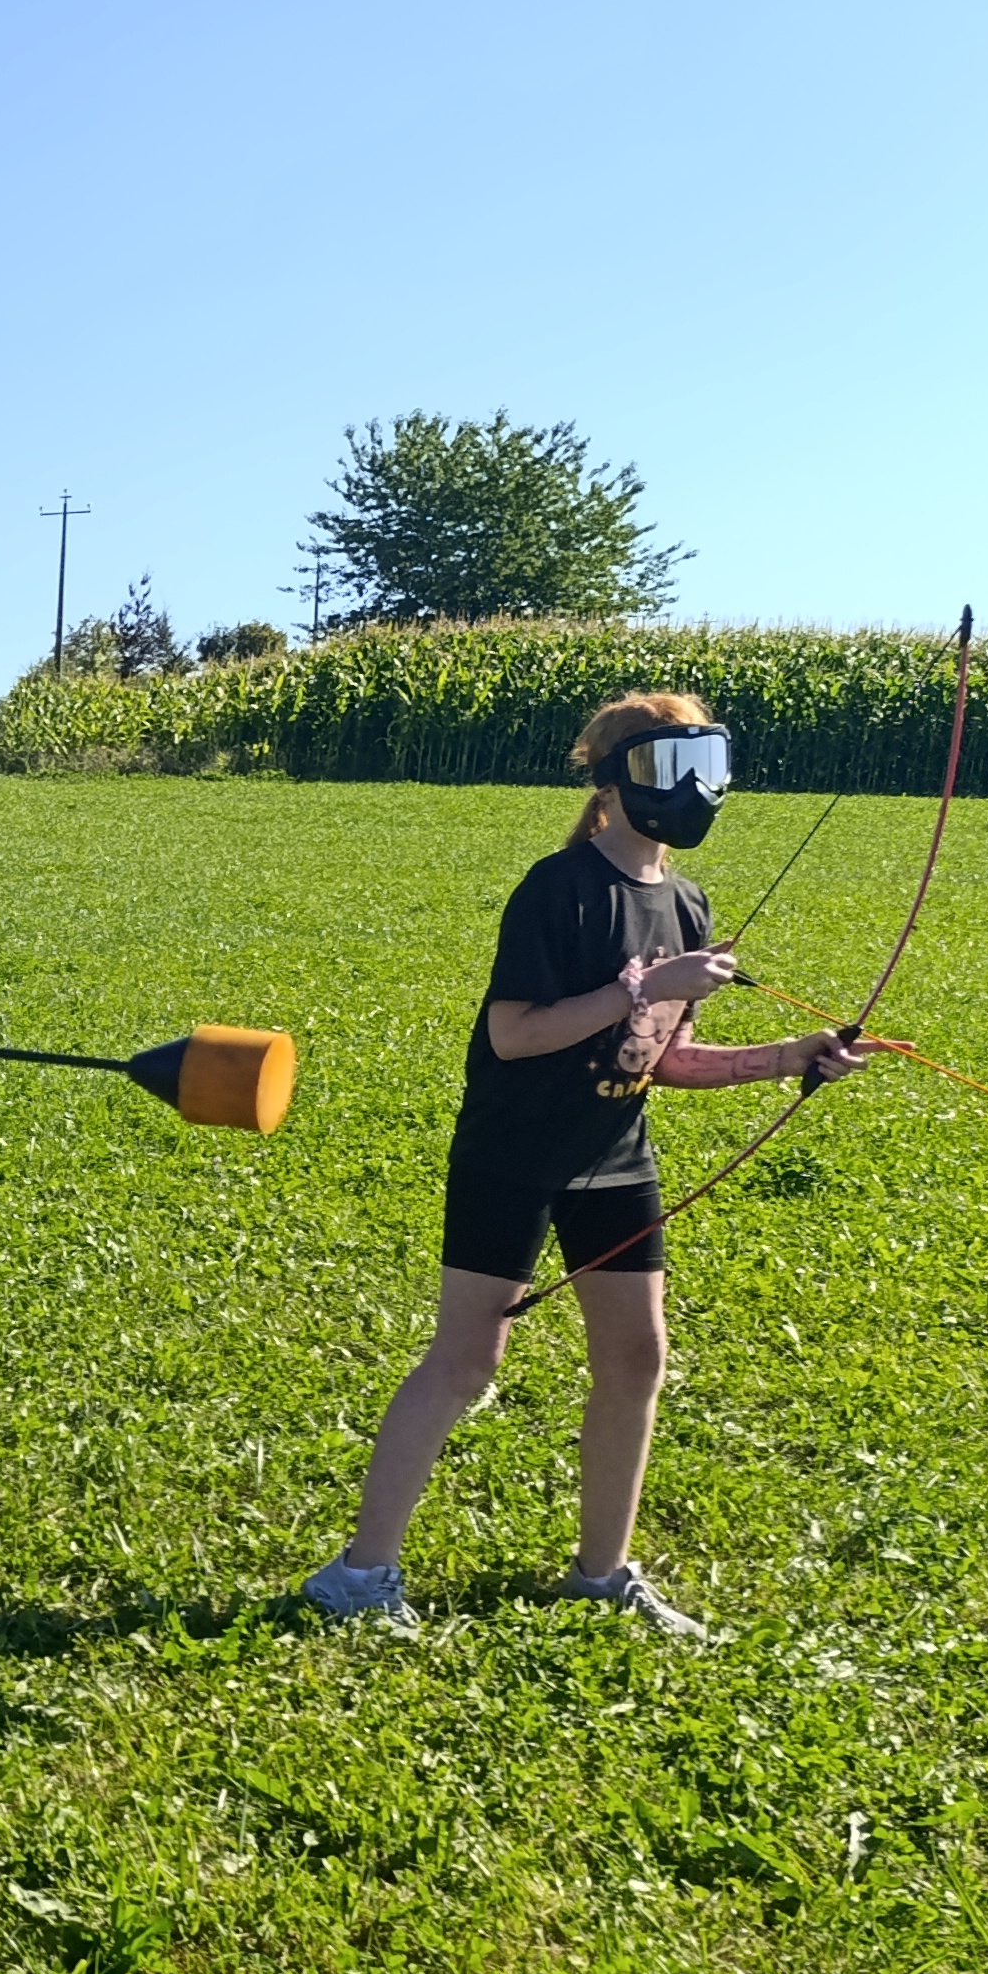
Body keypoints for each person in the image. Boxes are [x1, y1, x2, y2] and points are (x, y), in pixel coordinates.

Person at [305, 694, 865, 1637]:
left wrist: (793, 1055)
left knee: (638, 1358)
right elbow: (515, 1034)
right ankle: (358, 1577)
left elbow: (667, 1057)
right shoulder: (558, 889)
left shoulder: (686, 902)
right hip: (514, 1158)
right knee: (465, 1362)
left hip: (616, 1158)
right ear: (613, 782)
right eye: (663, 769)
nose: (688, 791)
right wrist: (639, 986)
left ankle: (602, 1574)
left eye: (705, 767)